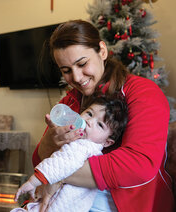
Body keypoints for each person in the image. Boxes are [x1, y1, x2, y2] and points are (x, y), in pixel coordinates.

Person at [31, 20, 174, 212]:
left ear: (102, 51)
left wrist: (60, 173)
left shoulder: (142, 92)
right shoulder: (69, 103)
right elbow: (40, 161)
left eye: (82, 64)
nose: (77, 78)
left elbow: (140, 164)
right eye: (66, 71)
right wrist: (50, 142)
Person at [12, 95, 128, 212]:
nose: (89, 121)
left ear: (107, 142)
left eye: (100, 125)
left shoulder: (85, 146)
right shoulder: (76, 140)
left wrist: (33, 182)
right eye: (89, 114)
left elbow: (61, 163)